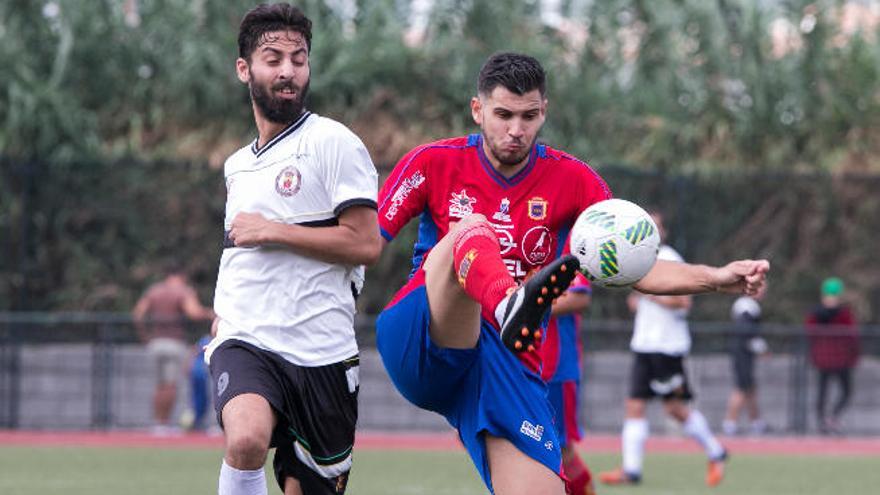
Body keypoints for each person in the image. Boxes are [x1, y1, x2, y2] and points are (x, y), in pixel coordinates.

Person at [375, 52, 769, 495]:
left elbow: (637, 268)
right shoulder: (434, 161)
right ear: (477, 109)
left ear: (544, 111)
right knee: (472, 227)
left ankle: (511, 311)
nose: (515, 130)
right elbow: (364, 242)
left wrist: (716, 278)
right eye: (503, 114)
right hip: (425, 335)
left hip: (506, 360)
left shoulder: (573, 179)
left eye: (528, 116)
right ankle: (508, 304)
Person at [205, 4, 381, 495]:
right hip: (248, 339)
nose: (287, 71)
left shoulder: (334, 143)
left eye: (298, 59)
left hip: (322, 354)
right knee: (245, 440)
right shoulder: (237, 165)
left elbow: (366, 243)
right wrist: (224, 314)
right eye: (273, 58)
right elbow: (239, 247)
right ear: (245, 69)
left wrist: (274, 230)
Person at [598, 211, 729, 488]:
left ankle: (716, 452)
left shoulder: (669, 257)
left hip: (666, 348)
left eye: (655, 227)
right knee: (634, 405)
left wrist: (649, 295)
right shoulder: (635, 259)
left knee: (675, 409)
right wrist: (639, 300)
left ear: (661, 232)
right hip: (644, 345)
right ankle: (632, 470)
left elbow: (683, 302)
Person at [132, 264, 214, 434]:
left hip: (155, 343)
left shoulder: (154, 290)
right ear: (181, 276)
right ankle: (164, 424)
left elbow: (138, 313)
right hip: (174, 343)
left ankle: (157, 423)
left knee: (159, 385)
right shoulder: (183, 291)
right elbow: (194, 312)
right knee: (170, 385)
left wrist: (145, 336)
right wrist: (213, 314)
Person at [539, 273, 596, 495]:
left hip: (556, 370)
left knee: (561, 448)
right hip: (522, 367)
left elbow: (580, 297)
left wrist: (527, 308)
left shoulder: (570, 244)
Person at [805, 277, 860, 435]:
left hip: (828, 357)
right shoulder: (844, 313)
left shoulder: (817, 313)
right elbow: (852, 335)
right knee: (836, 390)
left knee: (831, 390)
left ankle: (827, 419)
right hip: (836, 357)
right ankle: (828, 420)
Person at [722, 284, 769, 436]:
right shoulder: (747, 306)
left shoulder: (747, 305)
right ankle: (730, 423)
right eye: (761, 288)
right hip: (742, 353)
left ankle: (756, 422)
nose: (764, 291)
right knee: (741, 388)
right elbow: (747, 333)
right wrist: (761, 348)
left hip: (745, 353)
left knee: (751, 388)